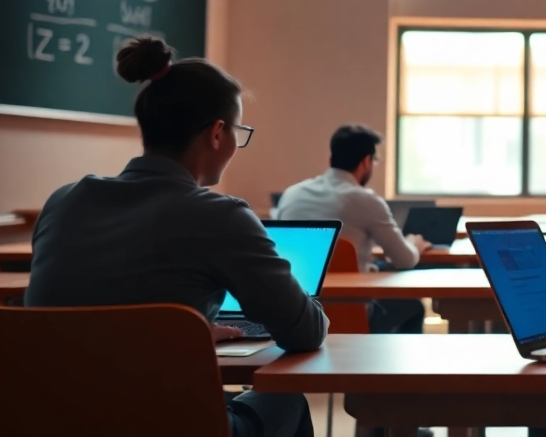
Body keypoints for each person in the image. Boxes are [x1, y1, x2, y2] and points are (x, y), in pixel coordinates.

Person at [26, 37, 325, 437]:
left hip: (51, 419)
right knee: (285, 399)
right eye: (239, 130)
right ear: (218, 133)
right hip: (166, 422)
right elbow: (303, 332)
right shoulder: (220, 216)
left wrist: (186, 330)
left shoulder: (62, 202)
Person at [277, 124, 428, 334]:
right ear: (366, 161)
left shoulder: (291, 194)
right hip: (351, 312)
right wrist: (414, 245)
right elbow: (405, 260)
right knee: (414, 307)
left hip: (293, 313)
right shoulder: (365, 200)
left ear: (331, 159)